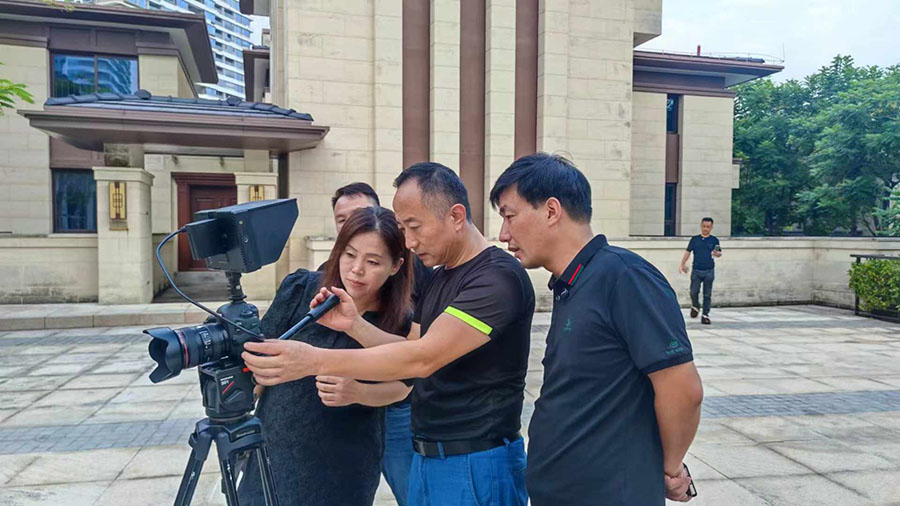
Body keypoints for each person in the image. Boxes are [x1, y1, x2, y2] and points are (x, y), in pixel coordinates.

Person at [243, 162, 535, 506]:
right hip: (430, 456)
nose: (409, 242)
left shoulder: (496, 278)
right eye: (403, 228)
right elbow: (414, 347)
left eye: (414, 227)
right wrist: (355, 325)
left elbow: (422, 359)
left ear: (456, 216)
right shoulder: (441, 276)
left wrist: (312, 360)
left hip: (474, 461)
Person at [489, 152, 704, 505]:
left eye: (509, 216)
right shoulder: (572, 284)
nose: (503, 234)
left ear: (552, 211)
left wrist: (669, 467)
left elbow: (682, 388)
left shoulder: (624, 276)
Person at [238, 206, 414, 506]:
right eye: (349, 254)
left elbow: (405, 385)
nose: (356, 269)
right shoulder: (302, 289)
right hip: (276, 446)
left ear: (396, 266)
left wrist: (358, 393)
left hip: (345, 460)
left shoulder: (398, 319)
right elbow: (260, 352)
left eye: (373, 261)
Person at [320, 181, 432, 506]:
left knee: (413, 492)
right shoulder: (321, 278)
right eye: (343, 220)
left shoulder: (414, 270)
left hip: (395, 410)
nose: (355, 224)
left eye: (360, 214)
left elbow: (413, 360)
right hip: (340, 415)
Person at [679, 217, 722, 325]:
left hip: (709, 270)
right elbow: (688, 252)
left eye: (708, 227)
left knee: (707, 294)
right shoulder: (695, 239)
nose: (705, 229)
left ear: (711, 227)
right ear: (701, 226)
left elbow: (718, 252)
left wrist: (717, 254)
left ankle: (705, 315)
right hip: (696, 270)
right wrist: (683, 264)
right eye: (704, 226)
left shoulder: (714, 240)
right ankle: (695, 305)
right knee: (694, 291)